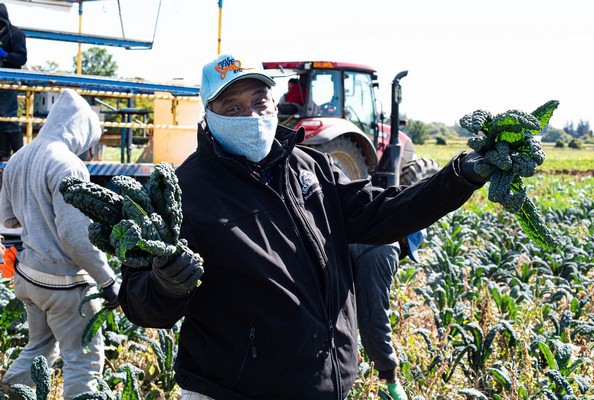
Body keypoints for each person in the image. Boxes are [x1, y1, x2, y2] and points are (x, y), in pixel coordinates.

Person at [118, 52, 489, 400]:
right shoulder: (184, 192)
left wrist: (461, 177)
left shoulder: (310, 167)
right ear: (210, 116)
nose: (251, 116)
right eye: (232, 108)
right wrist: (165, 285)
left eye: (259, 102)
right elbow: (140, 304)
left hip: (324, 386)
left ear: (274, 103)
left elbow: (379, 213)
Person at [0, 89, 120, 399]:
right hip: (63, 285)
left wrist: (37, 223)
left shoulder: (19, 157)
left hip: (28, 277)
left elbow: (8, 220)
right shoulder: (68, 164)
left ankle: (11, 392)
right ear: (79, 128)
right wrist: (108, 281)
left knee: (39, 347)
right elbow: (75, 237)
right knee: (83, 360)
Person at [349, 231, 425, 400]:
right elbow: (374, 314)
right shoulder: (384, 248)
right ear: (404, 235)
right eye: (407, 247)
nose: (403, 253)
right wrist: (389, 373)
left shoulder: (370, 225)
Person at [0, 3, 27, 161]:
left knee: (8, 118)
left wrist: (6, 55)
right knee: (1, 120)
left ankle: (20, 155)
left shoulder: (16, 34)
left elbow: (22, 58)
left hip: (9, 82)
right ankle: (3, 154)